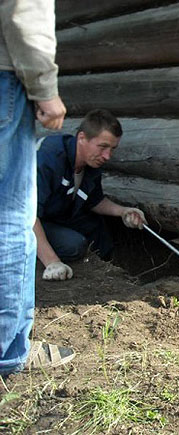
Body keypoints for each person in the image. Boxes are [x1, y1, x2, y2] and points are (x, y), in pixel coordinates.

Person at [0, 0, 69, 375]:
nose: (106, 155)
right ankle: (10, 352)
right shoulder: (56, 153)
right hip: (4, 81)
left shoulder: (88, 172)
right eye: (104, 147)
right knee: (10, 218)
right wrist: (44, 87)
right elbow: (24, 9)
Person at [35, 109, 147, 281]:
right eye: (103, 147)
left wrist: (123, 211)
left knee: (98, 230)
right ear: (81, 138)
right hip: (23, 219)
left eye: (112, 149)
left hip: (56, 214)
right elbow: (28, 216)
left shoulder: (90, 164)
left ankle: (113, 278)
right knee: (74, 244)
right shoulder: (47, 158)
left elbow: (94, 200)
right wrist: (52, 262)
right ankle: (31, 254)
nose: (107, 156)